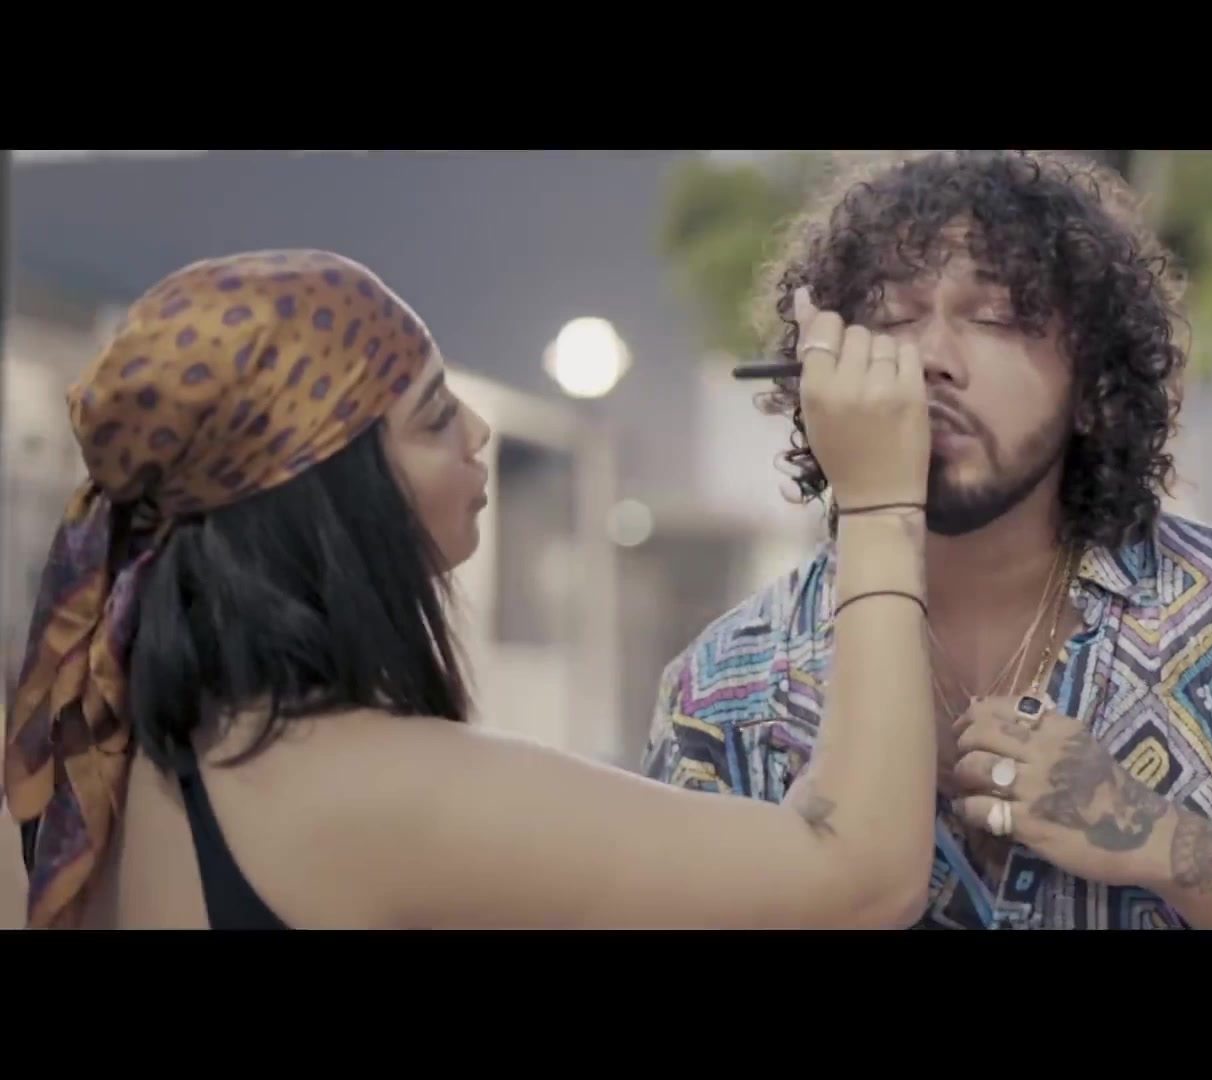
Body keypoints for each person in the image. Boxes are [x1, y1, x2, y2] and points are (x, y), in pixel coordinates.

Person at [644, 150, 1212, 930]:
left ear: (1094, 389)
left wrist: (1158, 839)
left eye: (997, 317)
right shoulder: (730, 683)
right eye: (892, 319)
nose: (932, 357)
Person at [2, 249, 938, 930]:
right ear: (329, 493)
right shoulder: (355, 786)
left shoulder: (111, 761)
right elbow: (860, 877)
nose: (477, 433)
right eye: (434, 414)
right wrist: (881, 502)